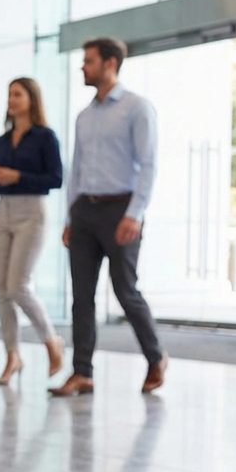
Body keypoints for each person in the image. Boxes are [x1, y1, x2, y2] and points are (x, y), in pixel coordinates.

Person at [50, 37, 168, 397]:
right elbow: (78, 170)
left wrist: (135, 214)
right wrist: (71, 216)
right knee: (81, 296)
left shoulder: (137, 108)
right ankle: (82, 372)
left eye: (88, 61)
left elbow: (148, 166)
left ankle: (156, 356)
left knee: (125, 291)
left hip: (121, 210)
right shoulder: (84, 117)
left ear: (110, 63)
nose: (83, 67)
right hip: (85, 210)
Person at [0, 77, 65, 386]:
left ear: (32, 99)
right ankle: (12, 355)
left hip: (31, 213)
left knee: (18, 286)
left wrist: (15, 175)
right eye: (9, 95)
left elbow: (55, 179)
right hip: (4, 211)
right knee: (2, 290)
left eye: (17, 94)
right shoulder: (3, 141)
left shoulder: (45, 137)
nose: (11, 100)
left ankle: (51, 340)